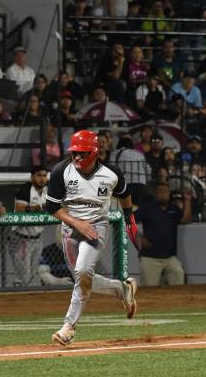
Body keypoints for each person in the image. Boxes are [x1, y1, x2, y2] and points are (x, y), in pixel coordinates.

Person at [46, 130, 139, 346]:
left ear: (94, 152)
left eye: (81, 153)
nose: (76, 157)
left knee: (82, 272)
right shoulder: (61, 171)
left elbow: (125, 195)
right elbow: (52, 207)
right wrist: (77, 223)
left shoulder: (112, 173)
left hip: (97, 227)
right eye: (74, 153)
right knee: (83, 278)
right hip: (70, 229)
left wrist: (128, 218)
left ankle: (68, 327)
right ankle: (122, 289)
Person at [8, 165, 65, 287]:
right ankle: (17, 300)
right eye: (39, 175)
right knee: (23, 276)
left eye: (44, 176)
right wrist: (41, 206)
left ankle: (29, 302)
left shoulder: (48, 190)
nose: (42, 179)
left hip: (37, 238)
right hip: (21, 238)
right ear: (32, 177)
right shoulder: (24, 189)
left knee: (34, 274)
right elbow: (20, 208)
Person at [134, 182, 191, 286]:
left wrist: (187, 200)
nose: (162, 195)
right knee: (149, 290)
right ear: (155, 194)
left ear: (169, 194)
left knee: (178, 273)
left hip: (169, 258)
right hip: (149, 257)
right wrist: (139, 238)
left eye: (165, 192)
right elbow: (129, 221)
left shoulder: (173, 208)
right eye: (160, 192)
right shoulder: (146, 208)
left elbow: (185, 219)